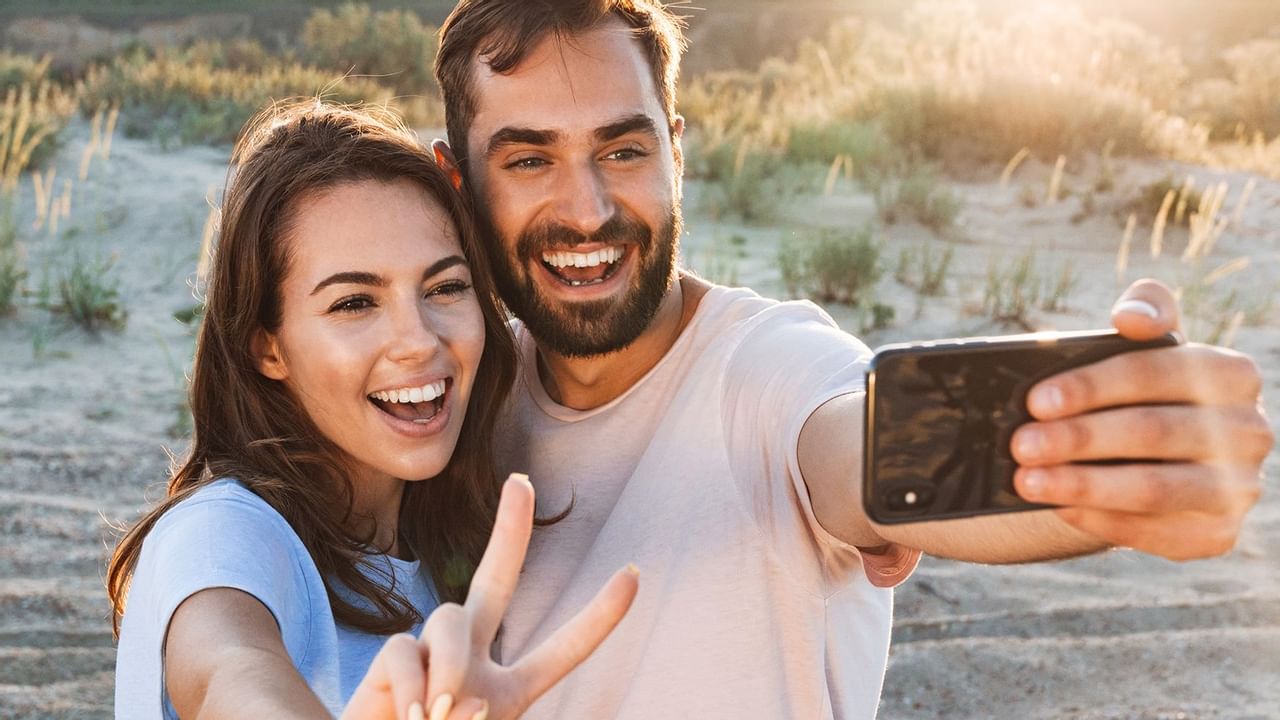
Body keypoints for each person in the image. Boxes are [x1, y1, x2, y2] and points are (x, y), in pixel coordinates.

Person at [426, 1, 1275, 717]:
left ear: (675, 153)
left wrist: (1102, 451)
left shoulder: (766, 368)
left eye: (623, 150)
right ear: (459, 184)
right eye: (530, 159)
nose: (588, 209)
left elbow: (863, 445)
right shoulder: (452, 396)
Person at [107, 101, 639, 720]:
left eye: (445, 287)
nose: (418, 339)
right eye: (355, 303)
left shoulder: (442, 541)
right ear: (267, 345)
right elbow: (231, 671)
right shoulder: (223, 532)